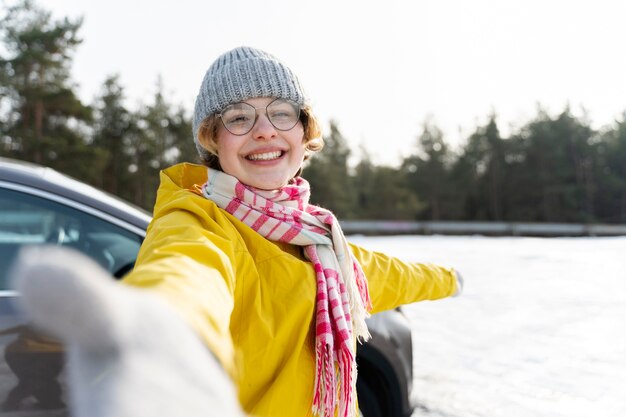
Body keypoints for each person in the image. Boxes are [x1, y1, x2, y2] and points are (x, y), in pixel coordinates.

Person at [11, 46, 462, 417]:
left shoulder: (320, 239)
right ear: (213, 140)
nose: (264, 131)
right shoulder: (199, 224)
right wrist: (163, 330)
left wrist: (449, 279)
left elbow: (385, 273)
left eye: (281, 113)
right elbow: (187, 272)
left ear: (305, 133)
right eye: (239, 118)